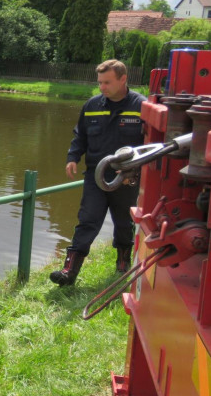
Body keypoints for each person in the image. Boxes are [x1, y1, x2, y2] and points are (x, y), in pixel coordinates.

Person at [50, 59, 147, 286]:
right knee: (88, 219)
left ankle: (123, 264)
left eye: (107, 82)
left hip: (127, 177)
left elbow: (152, 143)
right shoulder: (92, 105)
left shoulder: (141, 106)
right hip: (96, 175)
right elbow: (80, 136)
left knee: (124, 222)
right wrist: (73, 157)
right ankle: (69, 271)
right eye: (100, 82)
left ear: (123, 79)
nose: (102, 87)